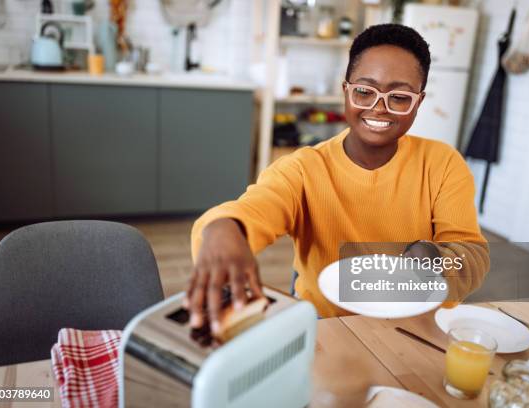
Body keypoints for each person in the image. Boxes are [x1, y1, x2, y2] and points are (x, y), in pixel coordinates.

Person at [188, 24, 489, 333]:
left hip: (419, 326)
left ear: (418, 102)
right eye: (364, 91)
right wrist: (224, 228)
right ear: (346, 90)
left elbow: (473, 258)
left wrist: (434, 259)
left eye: (399, 97)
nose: (379, 108)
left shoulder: (443, 164)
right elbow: (254, 209)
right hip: (331, 326)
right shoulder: (303, 169)